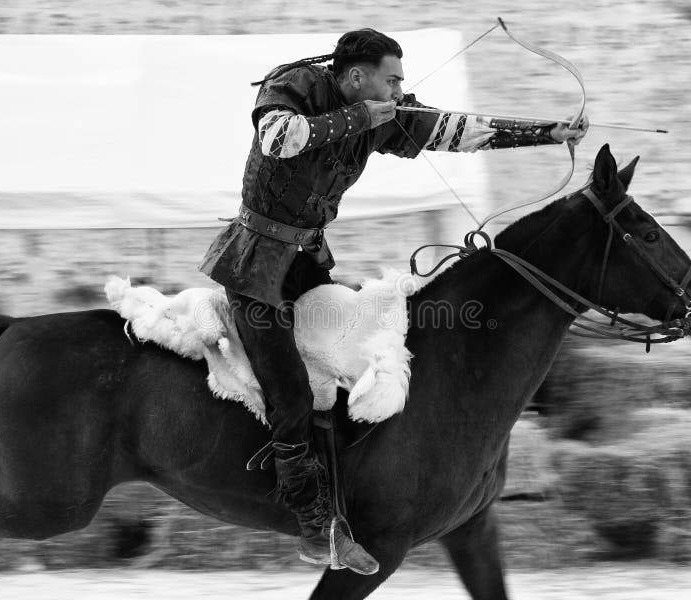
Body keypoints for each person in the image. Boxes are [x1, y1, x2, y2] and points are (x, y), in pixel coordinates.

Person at [199, 28, 587, 575]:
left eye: (401, 81)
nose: (400, 89)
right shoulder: (295, 87)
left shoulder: (381, 107)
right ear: (357, 77)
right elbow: (277, 139)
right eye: (393, 78)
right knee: (288, 396)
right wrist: (363, 119)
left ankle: (359, 491)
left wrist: (546, 133)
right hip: (254, 269)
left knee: (349, 365)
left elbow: (454, 130)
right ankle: (315, 528)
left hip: (306, 266)